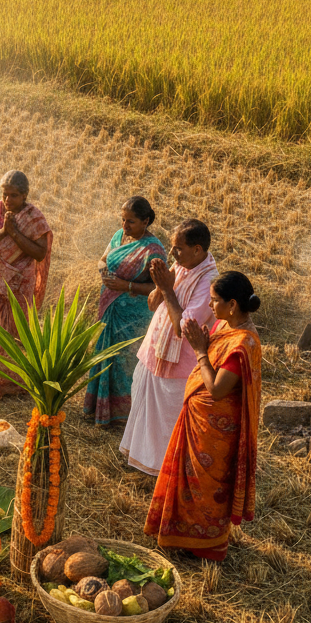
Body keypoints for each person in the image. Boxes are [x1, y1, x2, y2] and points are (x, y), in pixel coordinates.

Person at [144, 271, 262, 561]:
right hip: (200, 422)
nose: (210, 306)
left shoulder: (243, 344)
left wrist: (200, 351)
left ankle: (204, 545)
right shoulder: (226, 327)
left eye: (214, 301)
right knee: (188, 480)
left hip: (216, 431)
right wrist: (206, 345)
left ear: (232, 305)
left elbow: (218, 388)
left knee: (207, 487)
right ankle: (180, 535)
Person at [120, 220, 218, 475]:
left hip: (180, 364)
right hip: (154, 351)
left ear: (197, 250)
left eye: (178, 249)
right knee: (142, 405)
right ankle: (143, 461)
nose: (172, 253)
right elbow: (153, 303)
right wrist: (160, 281)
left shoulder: (209, 282)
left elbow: (182, 328)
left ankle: (166, 471)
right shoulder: (182, 265)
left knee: (168, 420)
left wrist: (166, 288)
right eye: (172, 248)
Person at [83, 196, 166, 427]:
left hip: (134, 317)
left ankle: (124, 418)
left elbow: (160, 288)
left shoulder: (154, 250)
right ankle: (99, 411)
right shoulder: (119, 237)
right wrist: (103, 272)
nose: (124, 226)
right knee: (104, 355)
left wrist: (126, 286)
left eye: (130, 221)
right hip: (111, 309)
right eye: (122, 219)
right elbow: (103, 260)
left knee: (124, 364)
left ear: (145, 221)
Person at [0, 170, 52, 396]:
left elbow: (39, 253)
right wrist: (2, 233)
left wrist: (14, 233)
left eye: (14, 195)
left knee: (17, 329)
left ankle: (14, 382)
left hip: (20, 283)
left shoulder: (34, 217)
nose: (8, 200)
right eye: (5, 194)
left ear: (25, 195)